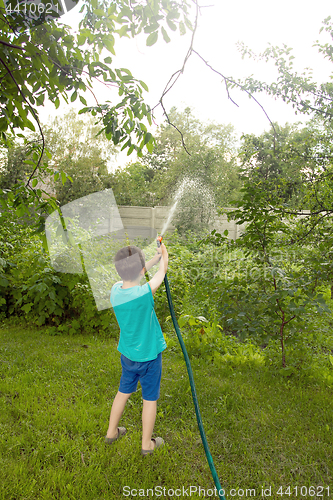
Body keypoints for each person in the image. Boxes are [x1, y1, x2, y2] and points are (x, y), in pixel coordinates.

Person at [106, 242, 169, 456]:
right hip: (149, 357)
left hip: (128, 355)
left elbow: (140, 273)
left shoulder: (115, 289)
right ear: (142, 270)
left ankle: (111, 432)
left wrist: (153, 258)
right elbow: (162, 273)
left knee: (122, 393)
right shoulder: (145, 293)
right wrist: (164, 256)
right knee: (149, 399)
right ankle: (146, 445)